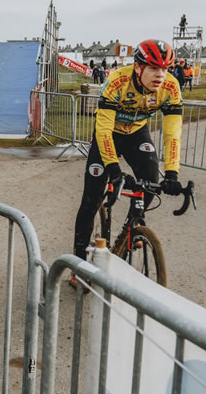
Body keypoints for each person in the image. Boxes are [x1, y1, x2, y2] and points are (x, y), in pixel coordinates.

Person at [72, 39, 184, 277]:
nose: (160, 75)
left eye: (165, 68)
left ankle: (134, 226)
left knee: (151, 178)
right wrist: (114, 170)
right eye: (154, 68)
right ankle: (78, 262)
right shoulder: (116, 81)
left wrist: (173, 173)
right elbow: (102, 130)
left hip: (136, 132)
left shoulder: (172, 87)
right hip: (109, 133)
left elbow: (173, 132)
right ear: (138, 67)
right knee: (91, 200)